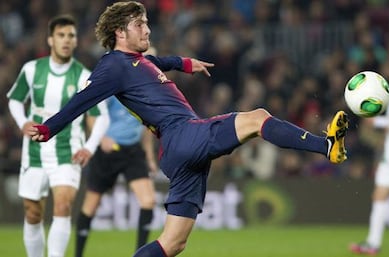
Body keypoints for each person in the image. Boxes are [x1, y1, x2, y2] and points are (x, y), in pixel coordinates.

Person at [28, 2, 349, 257]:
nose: (147, 29)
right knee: (257, 118)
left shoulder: (138, 61)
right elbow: (80, 101)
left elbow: (159, 62)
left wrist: (182, 62)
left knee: (173, 243)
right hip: (182, 135)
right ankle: (326, 146)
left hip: (179, 152)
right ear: (119, 32)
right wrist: (47, 129)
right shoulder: (112, 66)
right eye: (139, 24)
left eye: (147, 23)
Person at [7, 15, 109, 257]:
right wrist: (23, 123)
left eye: (71, 36)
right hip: (34, 153)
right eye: (61, 35)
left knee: (63, 205)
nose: (66, 40)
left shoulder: (84, 77)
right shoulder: (32, 70)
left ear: (75, 41)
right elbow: (15, 100)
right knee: (33, 213)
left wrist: (90, 147)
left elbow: (102, 115)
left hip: (68, 151)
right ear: (50, 39)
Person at [75, 95, 158, 257]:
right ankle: (78, 255)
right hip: (107, 151)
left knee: (148, 201)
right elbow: (92, 112)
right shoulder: (114, 85)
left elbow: (147, 125)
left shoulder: (144, 89)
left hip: (133, 151)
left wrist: (149, 157)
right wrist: (101, 138)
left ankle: (139, 254)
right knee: (90, 206)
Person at [349, 55, 389, 255]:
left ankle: (372, 243)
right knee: (379, 196)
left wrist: (381, 124)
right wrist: (379, 122)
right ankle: (372, 243)